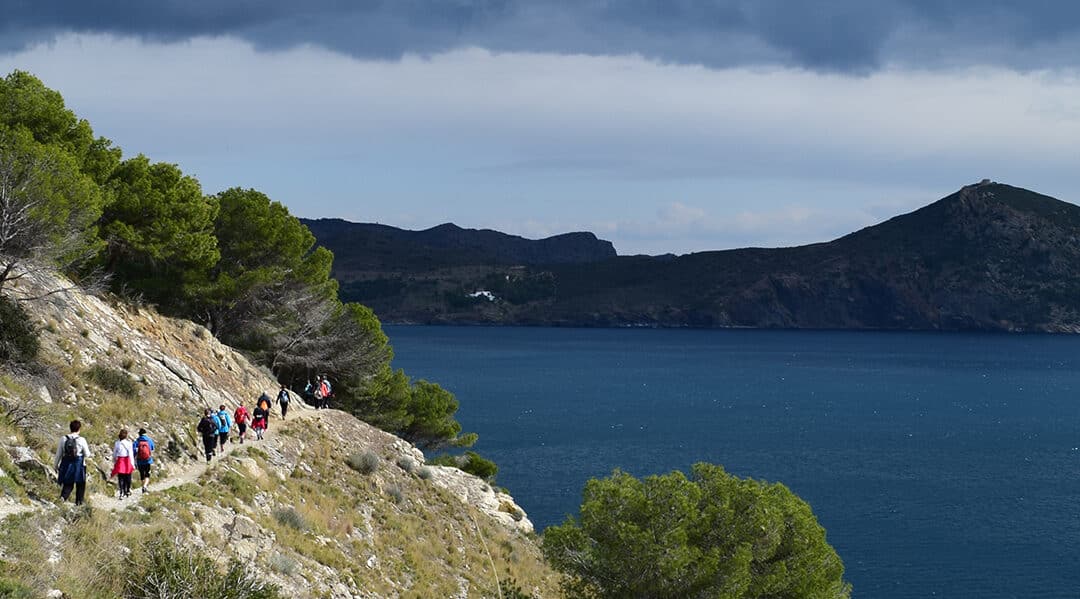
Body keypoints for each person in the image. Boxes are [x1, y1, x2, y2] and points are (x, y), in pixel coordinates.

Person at [54, 419, 92, 505]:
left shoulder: (63, 438)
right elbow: (87, 454)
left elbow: (58, 454)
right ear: (79, 429)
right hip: (78, 464)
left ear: (70, 428)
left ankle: (63, 498)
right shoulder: (82, 440)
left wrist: (55, 466)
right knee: (80, 484)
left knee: (68, 483)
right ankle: (79, 503)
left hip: (66, 463)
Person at [110, 428, 135, 499]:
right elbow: (131, 454)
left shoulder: (117, 443)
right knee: (128, 476)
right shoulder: (128, 443)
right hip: (127, 460)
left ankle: (121, 492)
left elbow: (114, 453)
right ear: (126, 436)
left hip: (120, 460)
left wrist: (114, 461)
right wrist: (132, 464)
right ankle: (127, 490)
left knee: (120, 477)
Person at [132, 428, 155, 493]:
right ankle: (145, 486)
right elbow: (152, 448)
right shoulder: (149, 440)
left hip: (139, 461)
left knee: (142, 474)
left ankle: (143, 487)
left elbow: (133, 451)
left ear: (139, 434)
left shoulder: (136, 441)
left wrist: (134, 460)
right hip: (148, 460)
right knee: (147, 474)